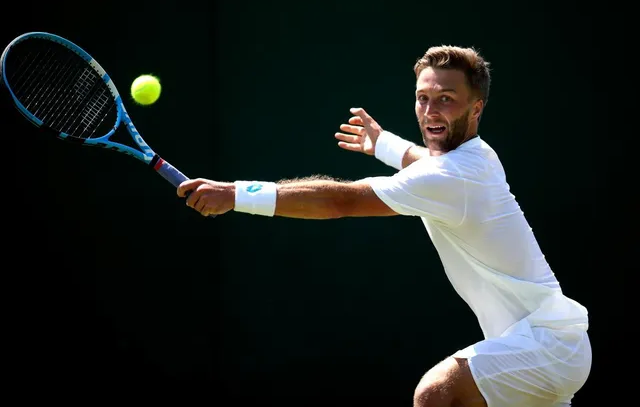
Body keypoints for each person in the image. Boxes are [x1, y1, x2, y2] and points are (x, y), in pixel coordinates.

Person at [177, 46, 592, 407]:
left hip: (545, 345)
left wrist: (235, 194)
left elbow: (342, 201)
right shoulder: (477, 157)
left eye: (446, 99)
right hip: (550, 346)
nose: (430, 111)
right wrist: (385, 144)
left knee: (435, 394)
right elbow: (427, 161)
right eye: (422, 98)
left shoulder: (452, 178)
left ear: (476, 108)